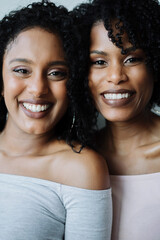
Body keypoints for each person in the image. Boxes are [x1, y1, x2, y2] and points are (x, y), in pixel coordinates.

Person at [0, 1, 112, 239]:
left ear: (72, 86)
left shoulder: (82, 169)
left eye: (56, 73)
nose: (38, 89)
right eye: (21, 70)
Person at [72, 0, 160, 239]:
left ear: (154, 64)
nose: (115, 77)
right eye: (99, 62)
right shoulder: (75, 156)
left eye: (132, 59)